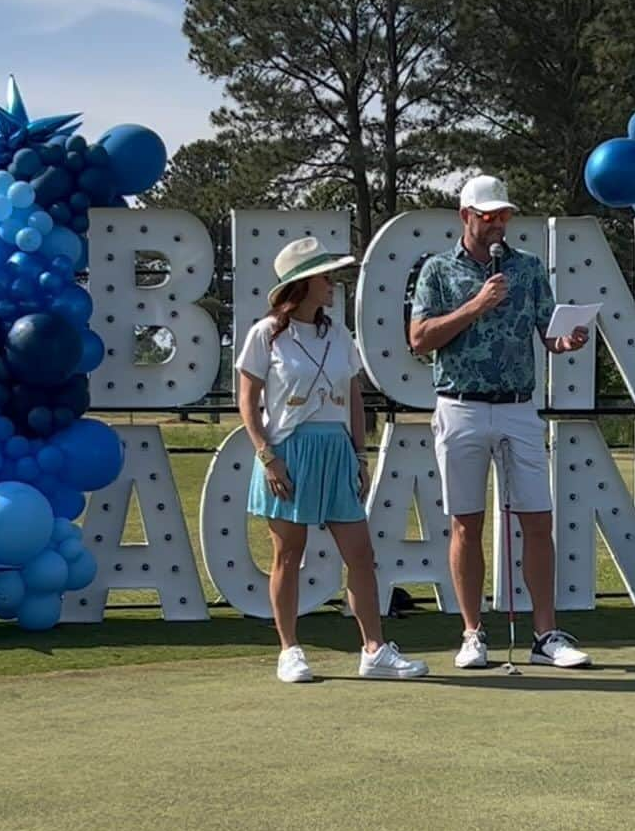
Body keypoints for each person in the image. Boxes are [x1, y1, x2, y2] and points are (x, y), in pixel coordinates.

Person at [409, 176, 592, 670]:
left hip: (518, 406)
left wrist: (565, 342)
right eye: (487, 216)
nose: (497, 224)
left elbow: (548, 333)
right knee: (465, 523)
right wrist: (475, 305)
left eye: (504, 215)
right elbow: (420, 339)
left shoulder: (529, 270)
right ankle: (472, 633)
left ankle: (546, 635)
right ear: (464, 216)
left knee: (537, 519)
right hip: (460, 405)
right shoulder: (438, 271)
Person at [237, 235, 428, 685]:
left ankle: (375, 649)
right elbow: (247, 400)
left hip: (337, 451)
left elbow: (354, 398)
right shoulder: (264, 335)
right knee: (288, 553)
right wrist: (267, 456)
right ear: (301, 284)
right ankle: (290, 651)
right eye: (325, 277)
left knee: (360, 554)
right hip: (288, 450)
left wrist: (360, 455)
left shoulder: (337, 332)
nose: (332, 285)